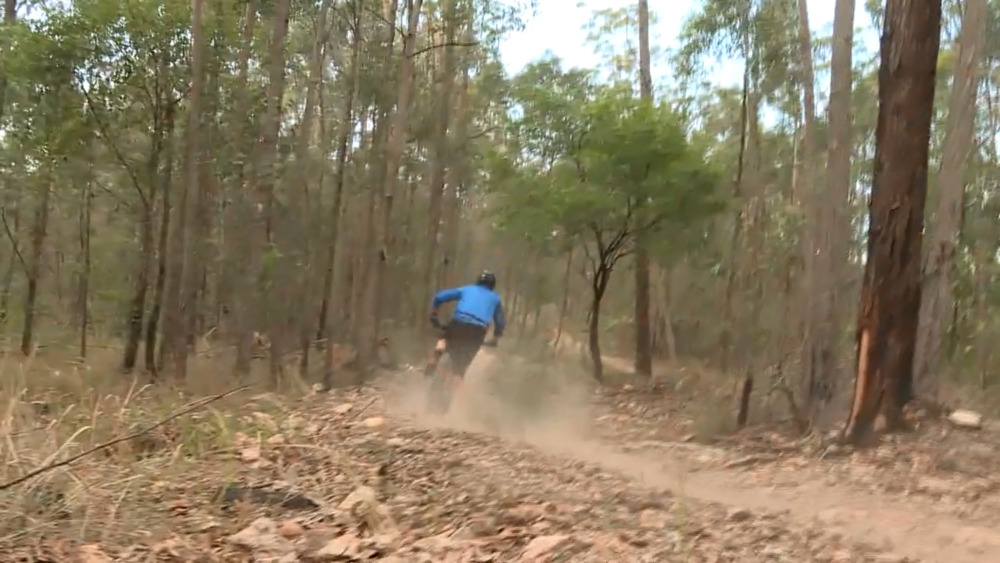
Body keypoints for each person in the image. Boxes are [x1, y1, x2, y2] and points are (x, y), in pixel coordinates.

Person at [426, 271, 506, 409]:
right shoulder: (495, 298)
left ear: (478, 281)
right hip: (477, 332)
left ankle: (438, 352)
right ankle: (455, 406)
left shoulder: (467, 289)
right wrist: (495, 338)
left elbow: (440, 296)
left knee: (445, 337)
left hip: (459, 323)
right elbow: (500, 322)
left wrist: (433, 314)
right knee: (460, 369)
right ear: (492, 285)